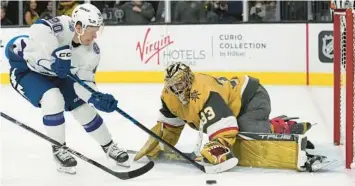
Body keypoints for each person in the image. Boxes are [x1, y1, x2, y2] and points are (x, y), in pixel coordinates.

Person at [134, 62, 330, 172]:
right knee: (241, 130)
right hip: (233, 106)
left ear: (189, 79)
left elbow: (226, 127)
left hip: (252, 97)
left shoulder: (204, 91)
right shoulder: (169, 96)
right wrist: (158, 142)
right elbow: (171, 124)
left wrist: (216, 147)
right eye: (172, 85)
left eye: (180, 83)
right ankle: (272, 124)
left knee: (244, 132)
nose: (177, 89)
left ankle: (286, 128)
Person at [4, 3, 129, 175]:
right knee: (53, 98)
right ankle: (58, 150)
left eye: (97, 31)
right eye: (92, 30)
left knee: (83, 107)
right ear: (78, 26)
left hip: (59, 75)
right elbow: (37, 30)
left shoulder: (92, 52)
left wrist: (95, 96)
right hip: (26, 70)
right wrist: (55, 56)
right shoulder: (62, 25)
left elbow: (83, 82)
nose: (95, 36)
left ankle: (109, 146)